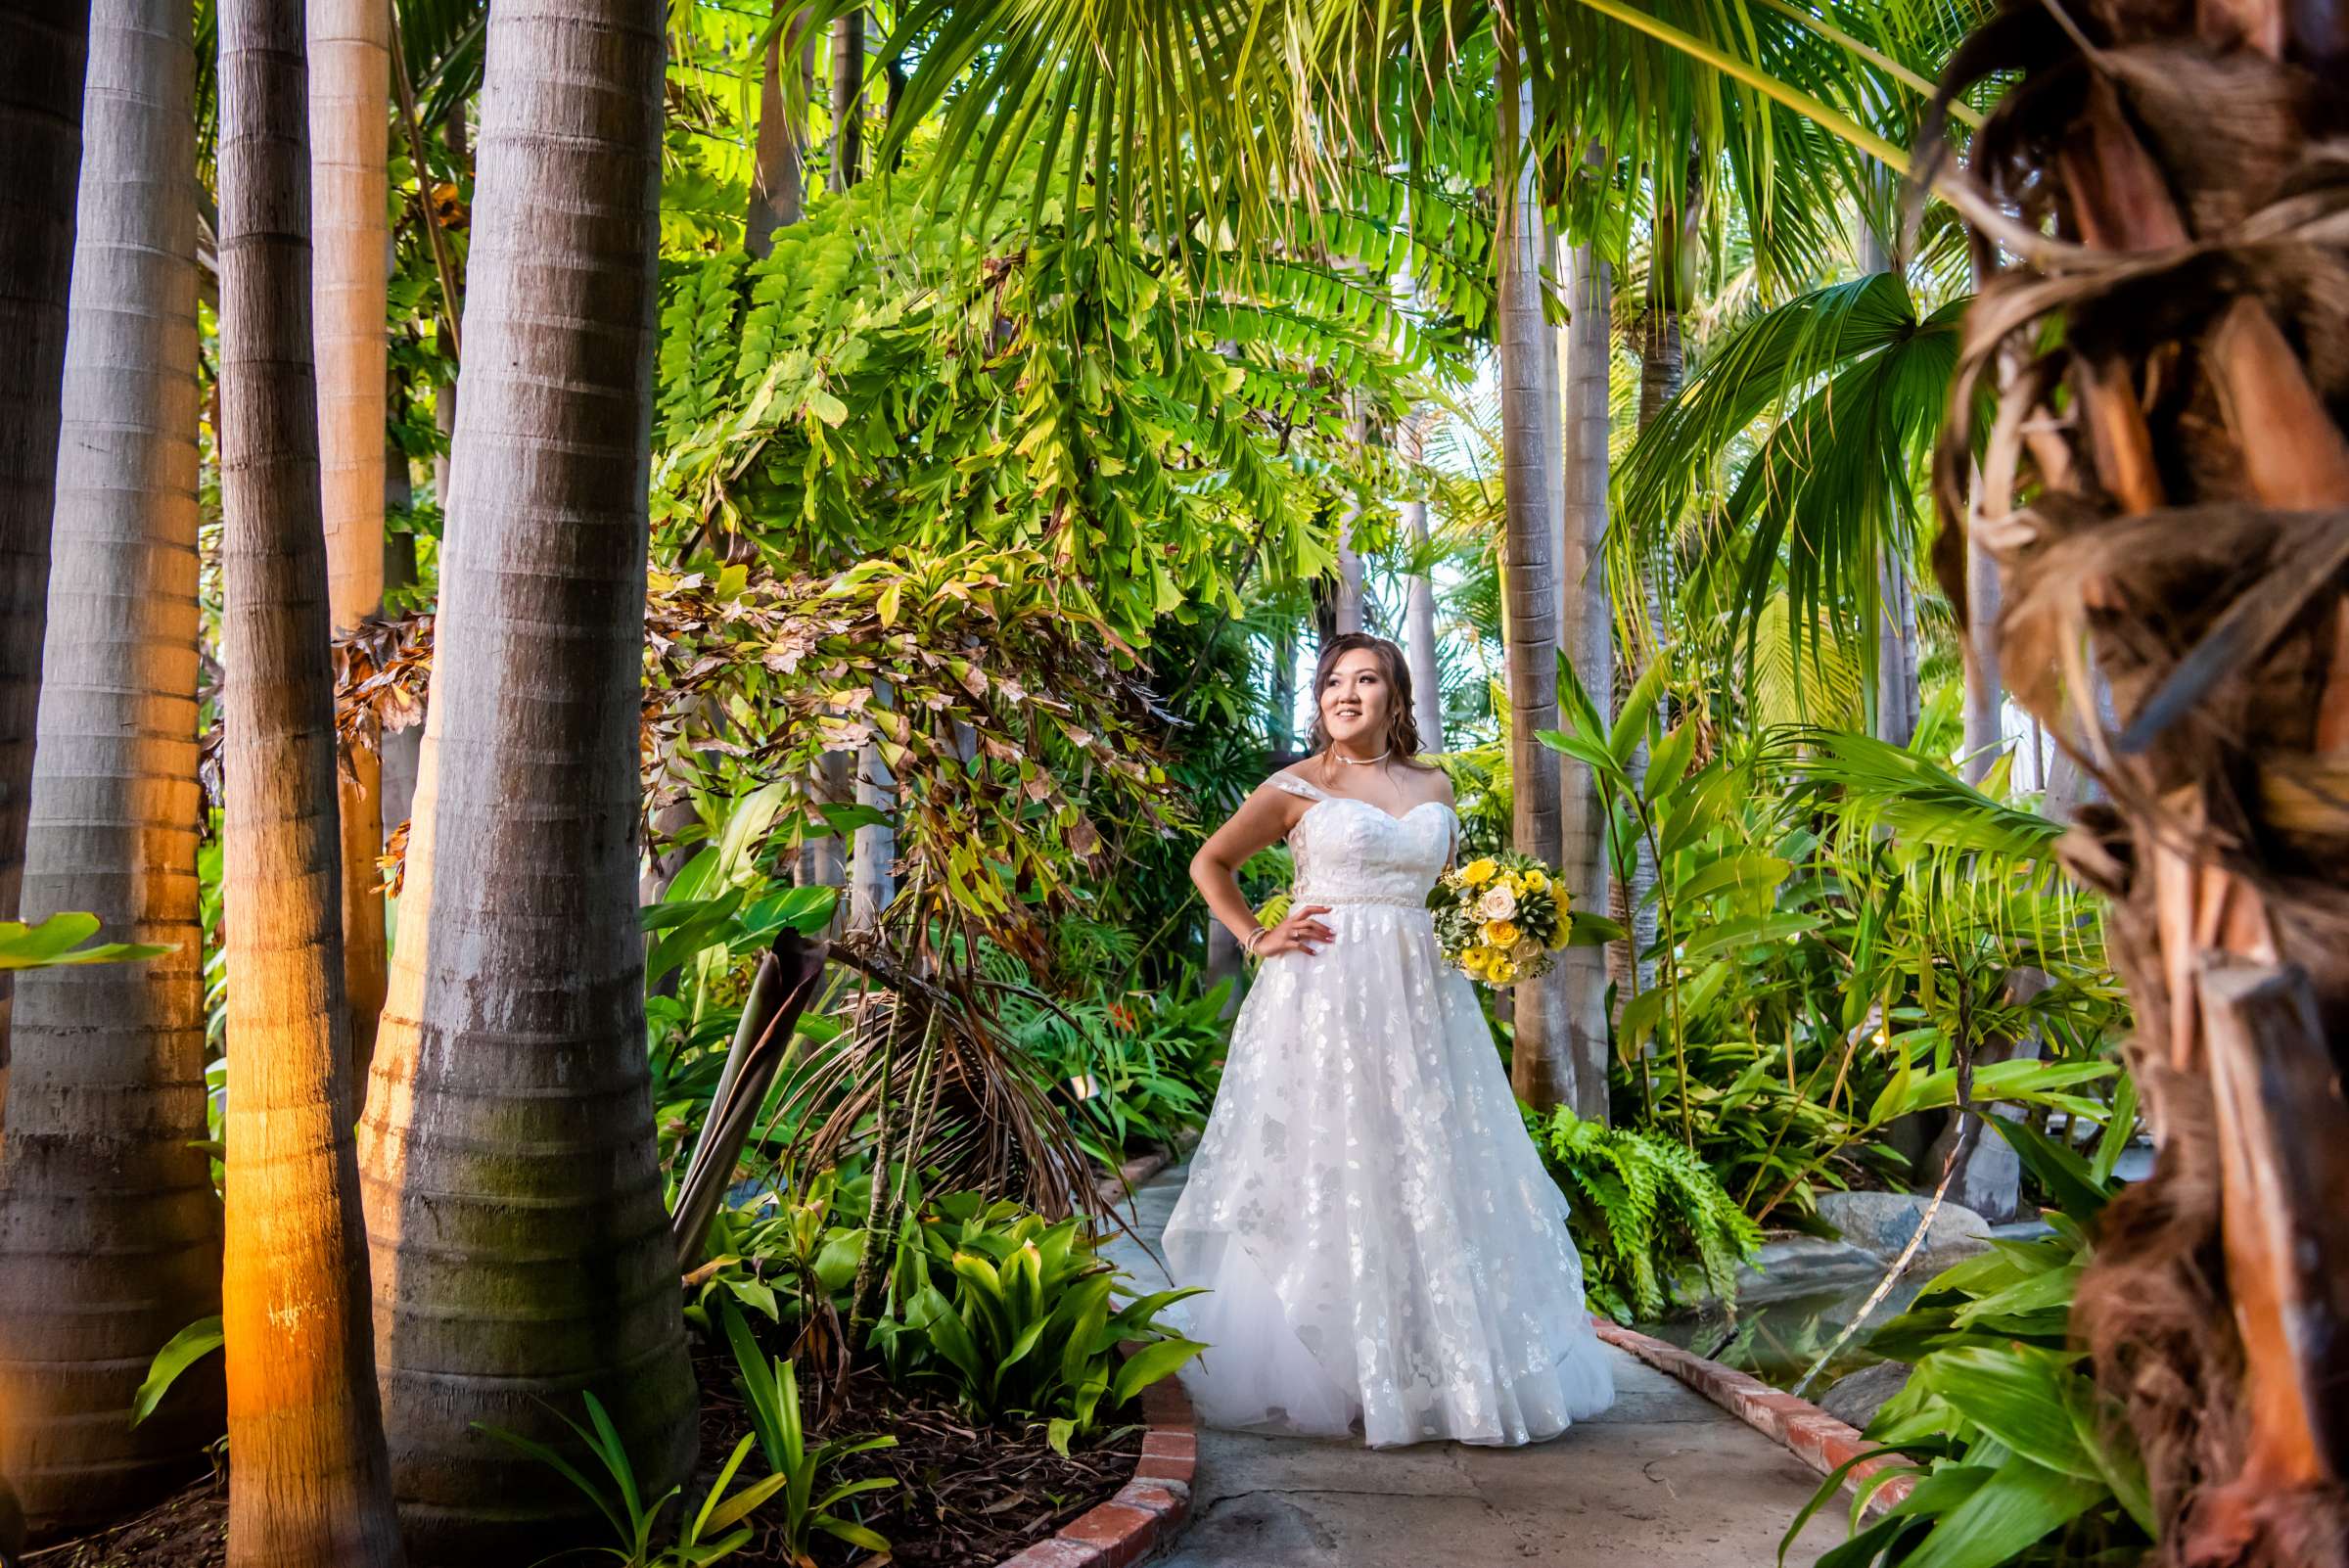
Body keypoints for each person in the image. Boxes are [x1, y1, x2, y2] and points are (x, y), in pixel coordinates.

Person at [1166, 631, 1614, 1447]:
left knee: (1430, 1163)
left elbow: (1446, 899)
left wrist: (1497, 929)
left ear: (1394, 696)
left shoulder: (1434, 784)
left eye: (1365, 679)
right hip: (1325, 1000)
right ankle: (1342, 1371)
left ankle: (1438, 1367)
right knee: (1339, 1162)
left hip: (1424, 1003)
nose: (1346, 694)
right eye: (1333, 681)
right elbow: (1211, 863)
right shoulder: (1296, 787)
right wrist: (1258, 936)